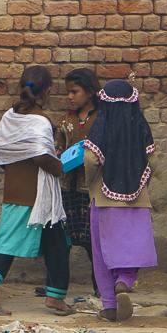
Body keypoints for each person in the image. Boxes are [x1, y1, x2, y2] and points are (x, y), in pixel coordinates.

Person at [0, 66, 71, 315]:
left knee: (12, 241)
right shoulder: (40, 120)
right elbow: (41, 157)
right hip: (38, 193)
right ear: (49, 90)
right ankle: (53, 297)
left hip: (14, 186)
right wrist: (60, 166)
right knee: (56, 242)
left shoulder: (10, 115)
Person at [77, 78, 158, 322]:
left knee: (103, 251)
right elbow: (152, 161)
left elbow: (91, 160)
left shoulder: (100, 125)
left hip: (103, 198)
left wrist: (90, 183)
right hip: (138, 199)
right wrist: (142, 184)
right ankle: (124, 281)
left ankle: (110, 305)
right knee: (133, 246)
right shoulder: (140, 125)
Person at [58, 67, 100, 293]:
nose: (70, 97)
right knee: (62, 239)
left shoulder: (102, 119)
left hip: (92, 190)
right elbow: (60, 146)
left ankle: (100, 285)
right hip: (68, 189)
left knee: (93, 241)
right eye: (68, 92)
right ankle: (56, 286)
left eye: (74, 92)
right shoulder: (67, 121)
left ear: (90, 92)